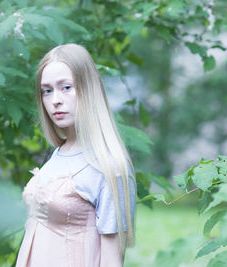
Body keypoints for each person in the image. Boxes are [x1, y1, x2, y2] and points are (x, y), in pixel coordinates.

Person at [15, 43, 136, 267]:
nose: (55, 100)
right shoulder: (58, 154)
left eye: (66, 87)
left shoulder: (109, 167)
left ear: (88, 89)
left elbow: (111, 261)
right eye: (47, 91)